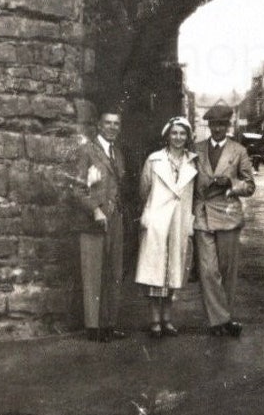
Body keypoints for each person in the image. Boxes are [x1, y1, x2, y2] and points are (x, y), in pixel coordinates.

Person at [193, 105, 255, 337]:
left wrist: (230, 184)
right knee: (208, 270)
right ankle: (218, 320)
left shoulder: (238, 151)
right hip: (203, 214)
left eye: (222, 124)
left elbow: (249, 186)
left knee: (227, 270)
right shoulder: (197, 149)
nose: (217, 128)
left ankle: (223, 318)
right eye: (214, 124)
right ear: (209, 126)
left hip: (228, 214)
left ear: (227, 126)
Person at [135, 116, 198, 338]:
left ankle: (168, 320)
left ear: (188, 137)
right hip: (158, 221)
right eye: (174, 133)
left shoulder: (193, 162)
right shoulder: (154, 161)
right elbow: (144, 190)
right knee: (155, 273)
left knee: (173, 272)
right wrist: (151, 215)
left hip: (179, 222)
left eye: (182, 134)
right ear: (167, 135)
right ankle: (154, 321)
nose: (178, 138)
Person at [74, 109, 128, 342]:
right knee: (93, 272)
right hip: (93, 221)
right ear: (98, 125)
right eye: (108, 123)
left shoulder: (118, 153)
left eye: (116, 123)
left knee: (113, 273)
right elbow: (76, 188)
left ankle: (109, 325)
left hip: (115, 219)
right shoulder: (87, 151)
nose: (112, 127)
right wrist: (95, 209)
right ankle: (93, 327)